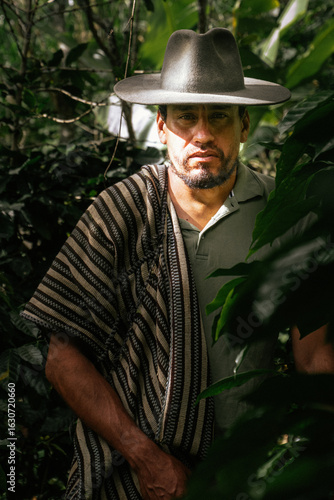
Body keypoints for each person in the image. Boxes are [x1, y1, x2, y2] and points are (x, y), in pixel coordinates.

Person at [21, 28, 334, 500]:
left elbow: (315, 357)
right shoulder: (119, 215)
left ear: (245, 126)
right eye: (186, 117)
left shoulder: (284, 214)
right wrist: (146, 458)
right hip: (137, 477)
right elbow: (62, 357)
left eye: (220, 118)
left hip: (247, 475)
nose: (203, 134)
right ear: (163, 127)